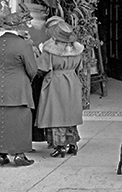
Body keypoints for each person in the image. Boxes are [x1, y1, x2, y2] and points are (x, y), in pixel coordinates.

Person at [0, 10, 38, 167]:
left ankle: (2, 155)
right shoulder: (23, 44)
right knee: (20, 120)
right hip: (18, 89)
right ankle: (19, 155)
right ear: (19, 27)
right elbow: (32, 69)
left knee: (0, 121)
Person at [35, 16, 84, 158]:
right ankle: (73, 143)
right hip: (72, 81)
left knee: (55, 114)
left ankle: (59, 145)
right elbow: (79, 67)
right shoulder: (77, 49)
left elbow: (41, 67)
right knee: (69, 113)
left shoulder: (50, 49)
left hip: (55, 82)